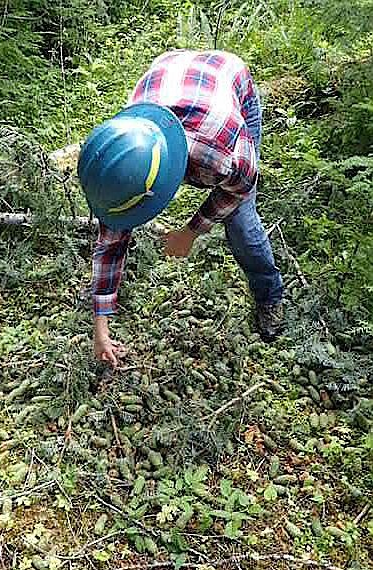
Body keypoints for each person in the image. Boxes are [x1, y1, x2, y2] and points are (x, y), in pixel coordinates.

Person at [78, 49, 284, 367]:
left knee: (240, 222)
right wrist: (100, 329)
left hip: (230, 78)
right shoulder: (117, 159)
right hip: (170, 71)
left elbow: (240, 188)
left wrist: (191, 231)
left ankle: (269, 296)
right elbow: (110, 245)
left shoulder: (221, 153)